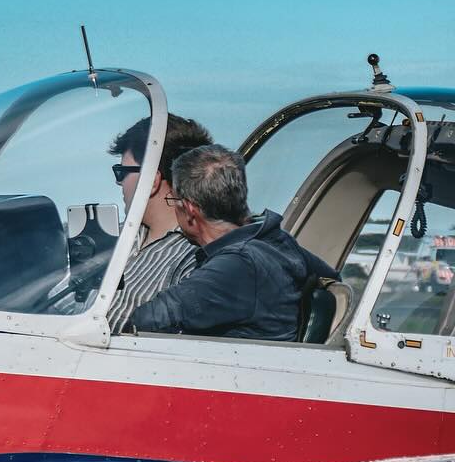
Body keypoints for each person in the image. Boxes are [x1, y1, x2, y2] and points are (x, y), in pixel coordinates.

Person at [129, 145, 338, 341]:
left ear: (190, 211)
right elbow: (332, 278)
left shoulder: (237, 265)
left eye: (175, 201)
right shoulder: (274, 239)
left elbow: (146, 320)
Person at [105, 115, 214, 333]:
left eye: (122, 172)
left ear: (152, 180)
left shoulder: (195, 260)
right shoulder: (115, 235)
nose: (119, 183)